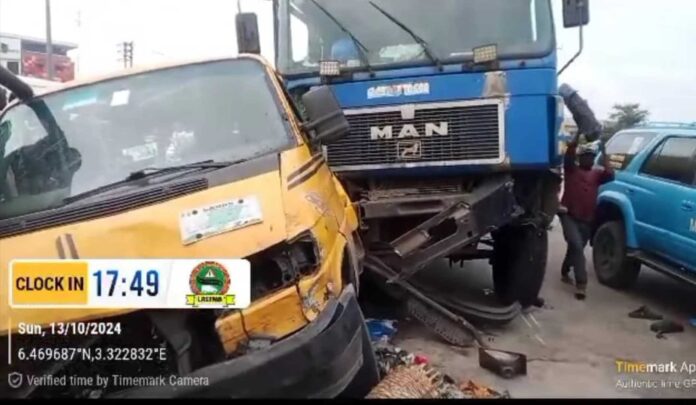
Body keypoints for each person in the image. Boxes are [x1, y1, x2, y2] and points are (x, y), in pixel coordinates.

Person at [559, 134, 614, 300]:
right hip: (568, 215)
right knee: (575, 245)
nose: (588, 160)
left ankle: (565, 269)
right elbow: (569, 154)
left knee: (576, 248)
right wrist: (577, 135)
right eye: (585, 157)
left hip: (587, 219)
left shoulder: (597, 175)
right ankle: (581, 284)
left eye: (591, 157)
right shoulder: (571, 170)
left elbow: (611, 174)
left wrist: (604, 152)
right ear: (579, 158)